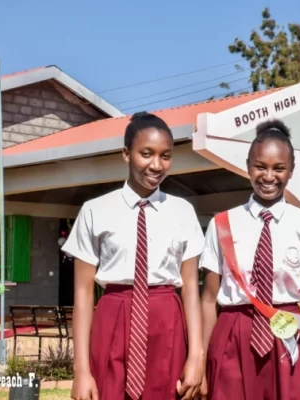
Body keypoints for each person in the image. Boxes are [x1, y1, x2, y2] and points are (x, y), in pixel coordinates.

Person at [63, 112, 205, 400]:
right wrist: (81, 370)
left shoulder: (183, 211)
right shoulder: (95, 210)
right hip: (113, 318)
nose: (156, 165)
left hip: (168, 322)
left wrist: (197, 356)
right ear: (126, 154)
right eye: (146, 154)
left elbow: (191, 288)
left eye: (166, 156)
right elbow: (82, 292)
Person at [199, 119, 300, 400]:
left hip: (291, 334)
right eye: (260, 166)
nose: (268, 176)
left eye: (279, 168)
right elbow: (209, 299)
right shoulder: (222, 224)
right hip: (233, 334)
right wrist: (203, 361)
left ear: (291, 171)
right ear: (248, 166)